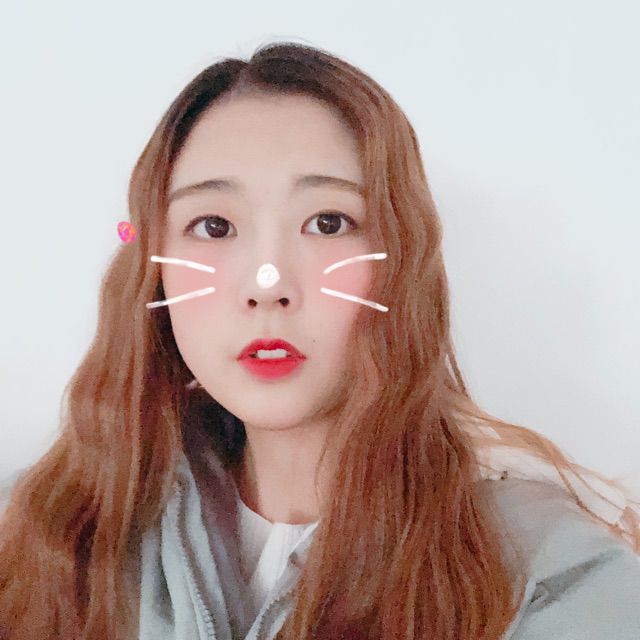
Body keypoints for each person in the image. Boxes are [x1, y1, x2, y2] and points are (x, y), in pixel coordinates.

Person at [0, 41, 639, 640]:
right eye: (214, 226)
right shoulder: (41, 533)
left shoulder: (551, 579)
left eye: (328, 223)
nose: (267, 284)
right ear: (153, 268)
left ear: (402, 260)